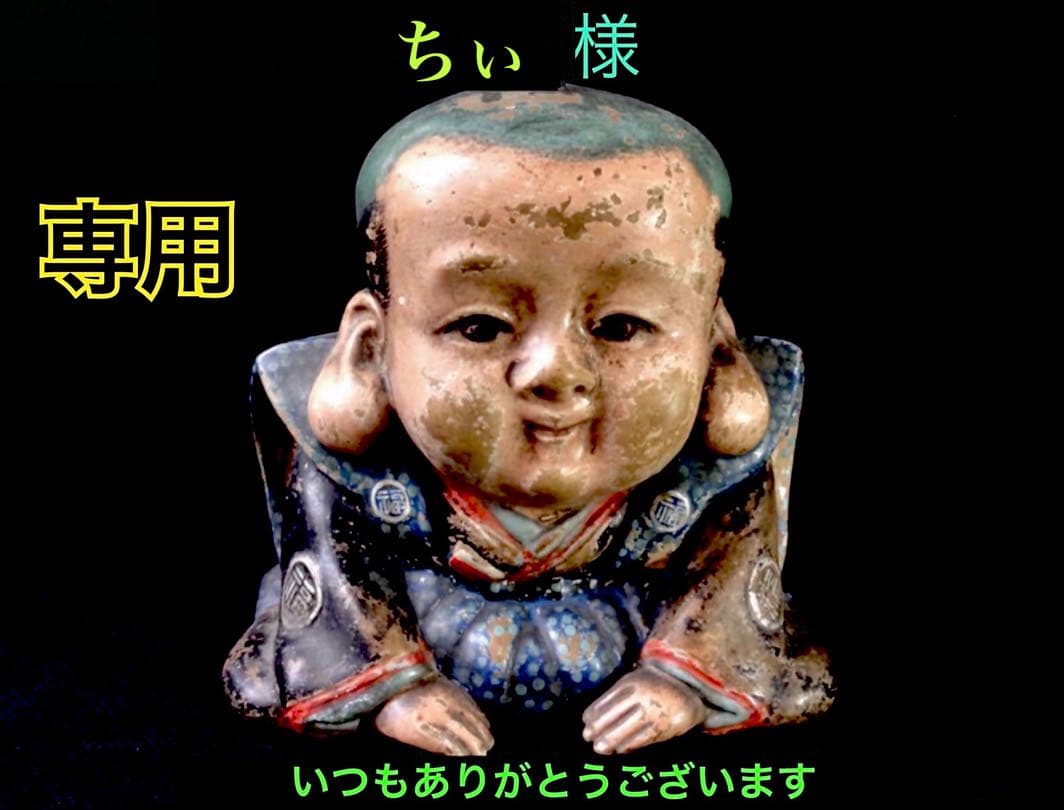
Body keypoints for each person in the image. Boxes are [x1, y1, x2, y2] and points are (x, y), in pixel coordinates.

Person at [223, 87, 833, 756]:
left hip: (635, 623)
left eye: (621, 327)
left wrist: (683, 682)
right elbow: (336, 585)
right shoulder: (355, 480)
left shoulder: (714, 484)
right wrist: (393, 689)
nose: (555, 372)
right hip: (429, 625)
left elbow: (730, 588)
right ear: (375, 347)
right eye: (480, 327)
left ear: (714, 347)